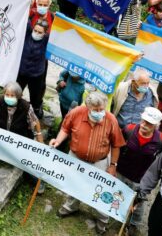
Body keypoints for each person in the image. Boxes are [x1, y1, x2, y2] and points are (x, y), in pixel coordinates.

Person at [50, 91, 126, 235]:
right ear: (87, 107)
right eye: (95, 110)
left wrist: (113, 165)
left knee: (101, 192)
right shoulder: (76, 113)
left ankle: (102, 220)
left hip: (100, 162)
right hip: (76, 158)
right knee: (74, 184)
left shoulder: (111, 120)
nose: (99, 112)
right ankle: (70, 206)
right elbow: (65, 128)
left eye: (102, 109)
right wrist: (58, 140)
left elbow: (116, 145)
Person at [117, 107, 162, 235]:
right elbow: (118, 147)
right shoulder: (129, 129)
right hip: (121, 171)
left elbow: (161, 161)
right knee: (117, 195)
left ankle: (134, 224)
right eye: (144, 121)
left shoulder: (161, 140)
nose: (144, 125)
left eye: (149, 123)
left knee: (138, 203)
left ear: (156, 125)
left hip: (142, 178)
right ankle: (114, 215)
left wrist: (153, 179)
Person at [17, 20, 49, 119]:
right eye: (35, 31)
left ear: (45, 33)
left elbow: (59, 35)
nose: (36, 33)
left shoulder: (46, 40)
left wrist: (59, 21)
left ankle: (35, 114)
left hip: (36, 75)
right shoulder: (27, 34)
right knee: (16, 92)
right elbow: (23, 18)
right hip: (22, 72)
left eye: (40, 32)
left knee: (35, 98)